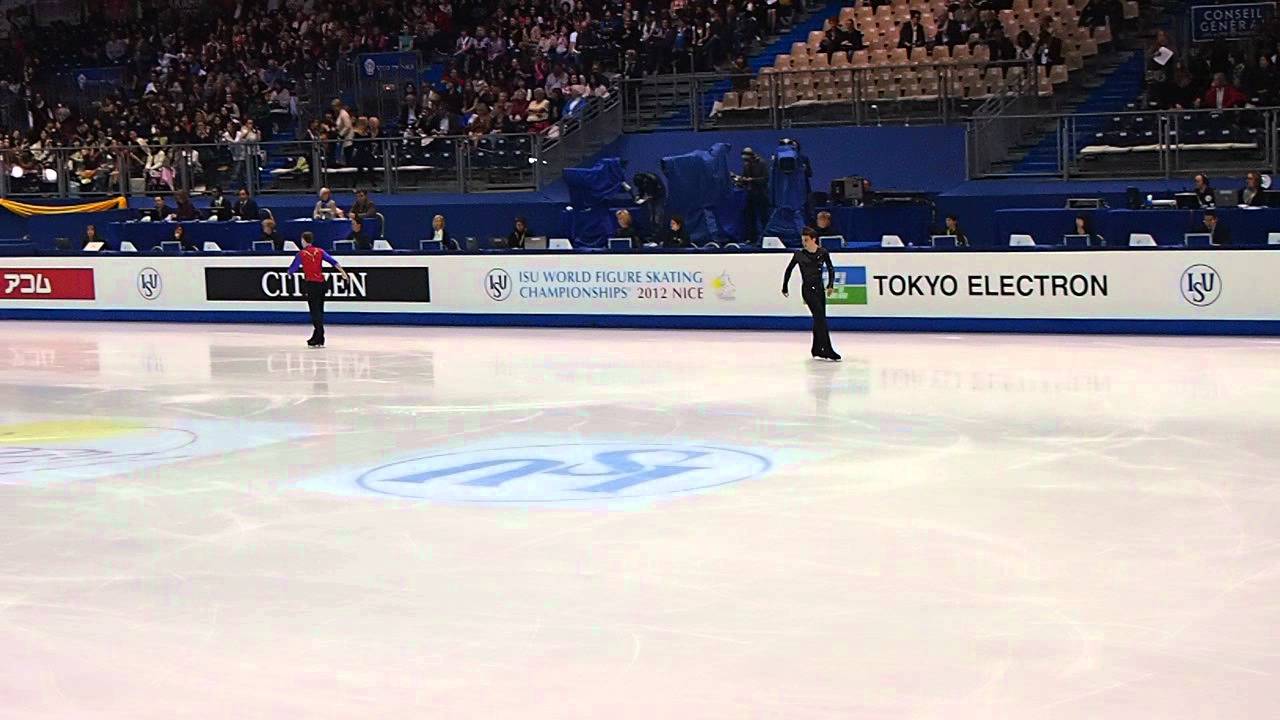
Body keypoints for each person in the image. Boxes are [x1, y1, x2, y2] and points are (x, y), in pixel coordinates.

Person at [782, 227, 840, 361]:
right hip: (808, 291)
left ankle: (816, 349)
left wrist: (830, 285)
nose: (804, 243)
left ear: (814, 240)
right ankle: (828, 350)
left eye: (806, 240)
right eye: (803, 240)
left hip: (819, 290)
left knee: (819, 319)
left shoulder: (823, 252)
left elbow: (831, 269)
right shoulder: (799, 254)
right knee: (820, 319)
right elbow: (789, 270)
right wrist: (785, 287)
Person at [287, 231, 350, 348]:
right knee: (319, 310)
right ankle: (317, 337)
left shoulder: (302, 254)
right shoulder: (320, 251)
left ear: (304, 240)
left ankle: (320, 335)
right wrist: (343, 273)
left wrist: (289, 273)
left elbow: (293, 269)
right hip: (322, 284)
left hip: (311, 285)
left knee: (314, 311)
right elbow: (333, 261)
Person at [735, 147, 769, 244]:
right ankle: (752, 238)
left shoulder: (762, 163)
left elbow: (765, 179)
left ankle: (766, 237)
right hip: (750, 195)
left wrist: (752, 180)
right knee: (750, 218)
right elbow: (745, 179)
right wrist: (740, 180)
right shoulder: (746, 165)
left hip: (761, 195)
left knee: (763, 217)